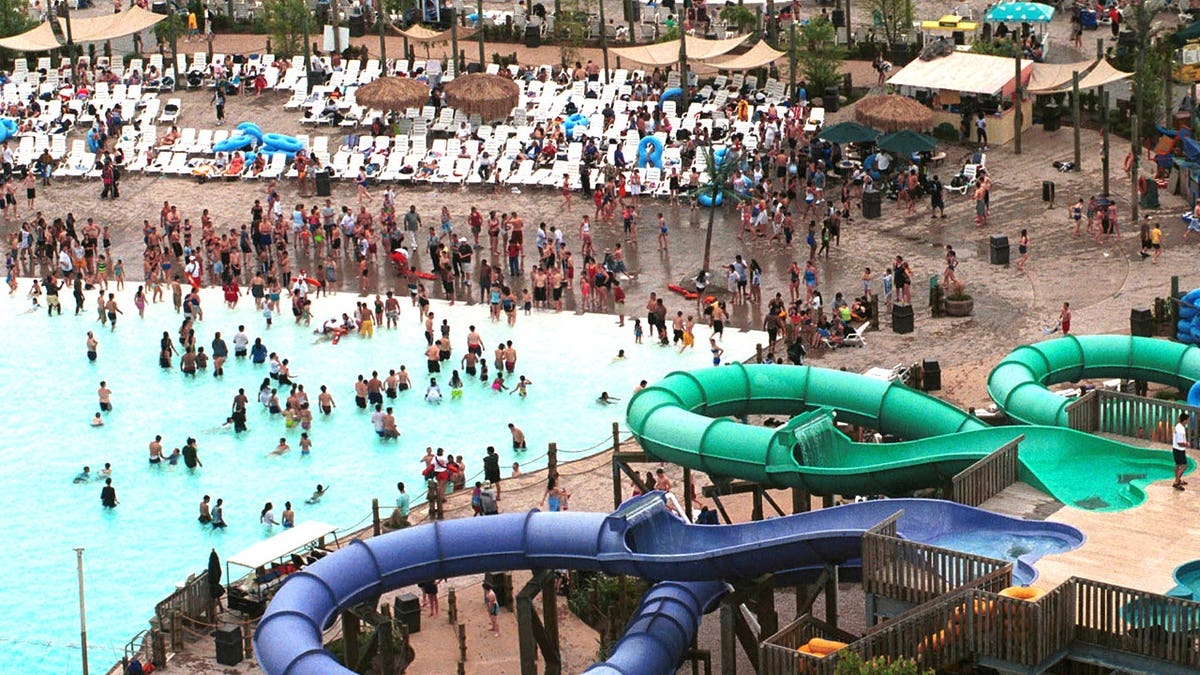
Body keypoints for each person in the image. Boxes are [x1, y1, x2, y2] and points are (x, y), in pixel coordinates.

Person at [1173, 412, 1191, 491]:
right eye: (1187, 420)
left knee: (1177, 465)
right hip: (1179, 450)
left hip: (1175, 449)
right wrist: (1186, 444)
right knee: (1184, 466)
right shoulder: (1181, 430)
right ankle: (1176, 482)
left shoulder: (1178, 426)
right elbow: (1180, 443)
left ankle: (1178, 480)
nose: (1188, 422)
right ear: (1184, 420)